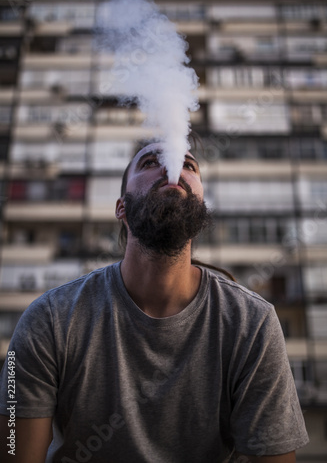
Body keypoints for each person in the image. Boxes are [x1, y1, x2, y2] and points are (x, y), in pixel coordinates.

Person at [0, 139, 309, 462]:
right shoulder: (49, 319)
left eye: (189, 166)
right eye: (150, 163)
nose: (173, 168)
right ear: (121, 207)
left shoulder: (253, 323)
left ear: (203, 202)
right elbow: (11, 448)